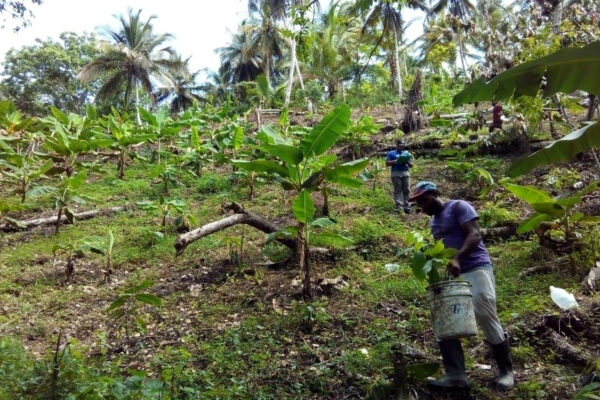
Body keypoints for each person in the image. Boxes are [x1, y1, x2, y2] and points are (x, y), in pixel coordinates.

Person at [408, 181, 514, 391]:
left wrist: (457, 257)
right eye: (418, 203)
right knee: (445, 319)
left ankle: (507, 371)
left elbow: (474, 234)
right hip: (454, 273)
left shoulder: (458, 206)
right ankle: (456, 375)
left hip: (475, 266)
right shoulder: (434, 222)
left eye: (424, 199)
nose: (422, 205)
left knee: (484, 312)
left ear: (435, 194)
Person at [386, 140, 413, 213]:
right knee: (398, 189)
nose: (402, 147)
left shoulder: (406, 153)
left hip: (405, 172)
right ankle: (399, 207)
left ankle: (407, 207)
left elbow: (411, 165)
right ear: (397, 145)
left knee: (407, 189)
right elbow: (387, 163)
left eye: (403, 146)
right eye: (400, 145)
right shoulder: (391, 153)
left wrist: (407, 161)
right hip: (396, 172)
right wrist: (396, 161)